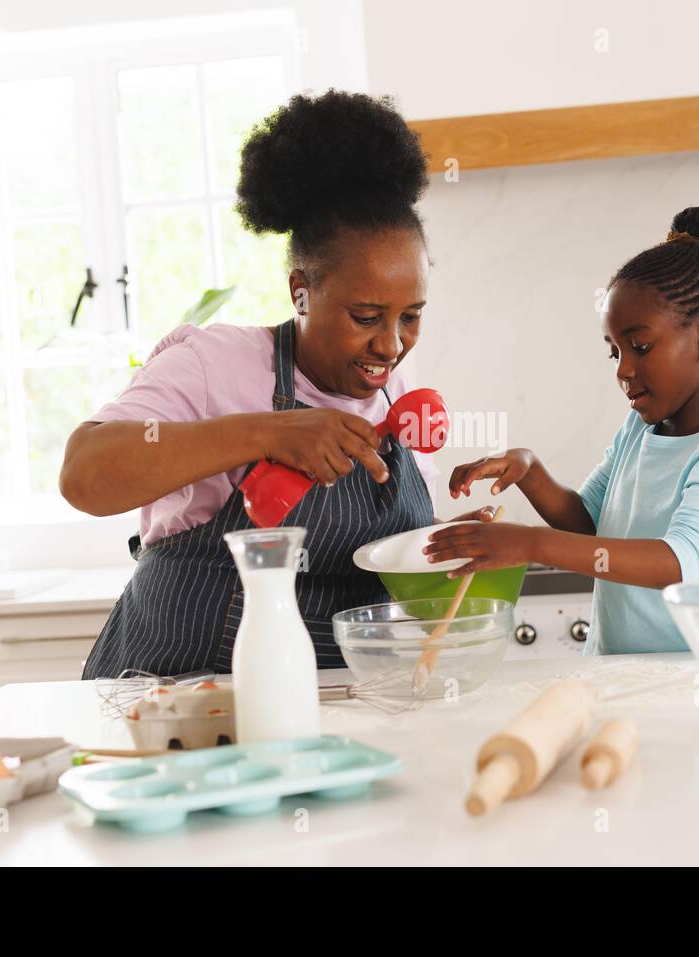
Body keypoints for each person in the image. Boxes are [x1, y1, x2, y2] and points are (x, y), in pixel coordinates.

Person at [63, 90, 447, 677]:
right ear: (301, 291)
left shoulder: (391, 387)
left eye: (410, 316)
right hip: (178, 711)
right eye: (366, 317)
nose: (391, 345)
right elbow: (84, 474)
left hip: (331, 709)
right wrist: (269, 433)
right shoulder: (216, 363)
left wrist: (448, 548)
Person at [425, 207, 699, 654]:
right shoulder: (638, 431)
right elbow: (589, 525)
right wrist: (530, 471)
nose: (624, 369)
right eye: (615, 352)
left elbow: (681, 562)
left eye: (640, 347)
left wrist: (531, 544)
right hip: (619, 667)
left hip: (696, 673)